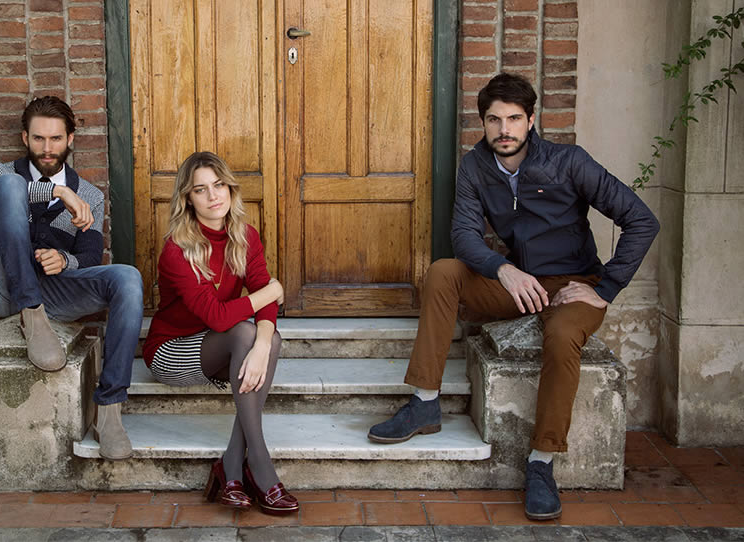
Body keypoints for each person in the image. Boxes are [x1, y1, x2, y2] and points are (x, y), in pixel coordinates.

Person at [367, 73, 660, 520]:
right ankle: (425, 403)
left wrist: (606, 288)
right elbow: (465, 236)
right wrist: (503, 270)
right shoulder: (475, 167)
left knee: (563, 337)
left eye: (514, 119)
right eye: (494, 119)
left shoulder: (569, 162)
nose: (504, 129)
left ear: (531, 120)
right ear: (483, 122)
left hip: (574, 284)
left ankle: (542, 462)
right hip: (518, 282)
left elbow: (641, 220)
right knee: (444, 272)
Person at [0, 96, 144, 461]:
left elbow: (90, 257)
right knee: (10, 186)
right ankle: (31, 314)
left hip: (54, 292)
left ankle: (109, 409)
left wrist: (63, 259)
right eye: (38, 138)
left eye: (56, 139)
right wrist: (57, 191)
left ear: (70, 139)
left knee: (127, 278)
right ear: (24, 138)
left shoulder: (90, 196)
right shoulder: (1, 172)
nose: (47, 148)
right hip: (4, 289)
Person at [142, 151, 298, 515]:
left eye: (219, 185)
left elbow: (262, 304)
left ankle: (231, 466)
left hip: (224, 344)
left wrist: (262, 346)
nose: (213, 196)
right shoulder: (177, 249)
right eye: (201, 189)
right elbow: (217, 316)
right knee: (243, 332)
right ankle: (258, 464)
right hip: (171, 352)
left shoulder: (245, 236)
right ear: (188, 198)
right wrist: (271, 291)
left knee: (265, 337)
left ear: (230, 189)